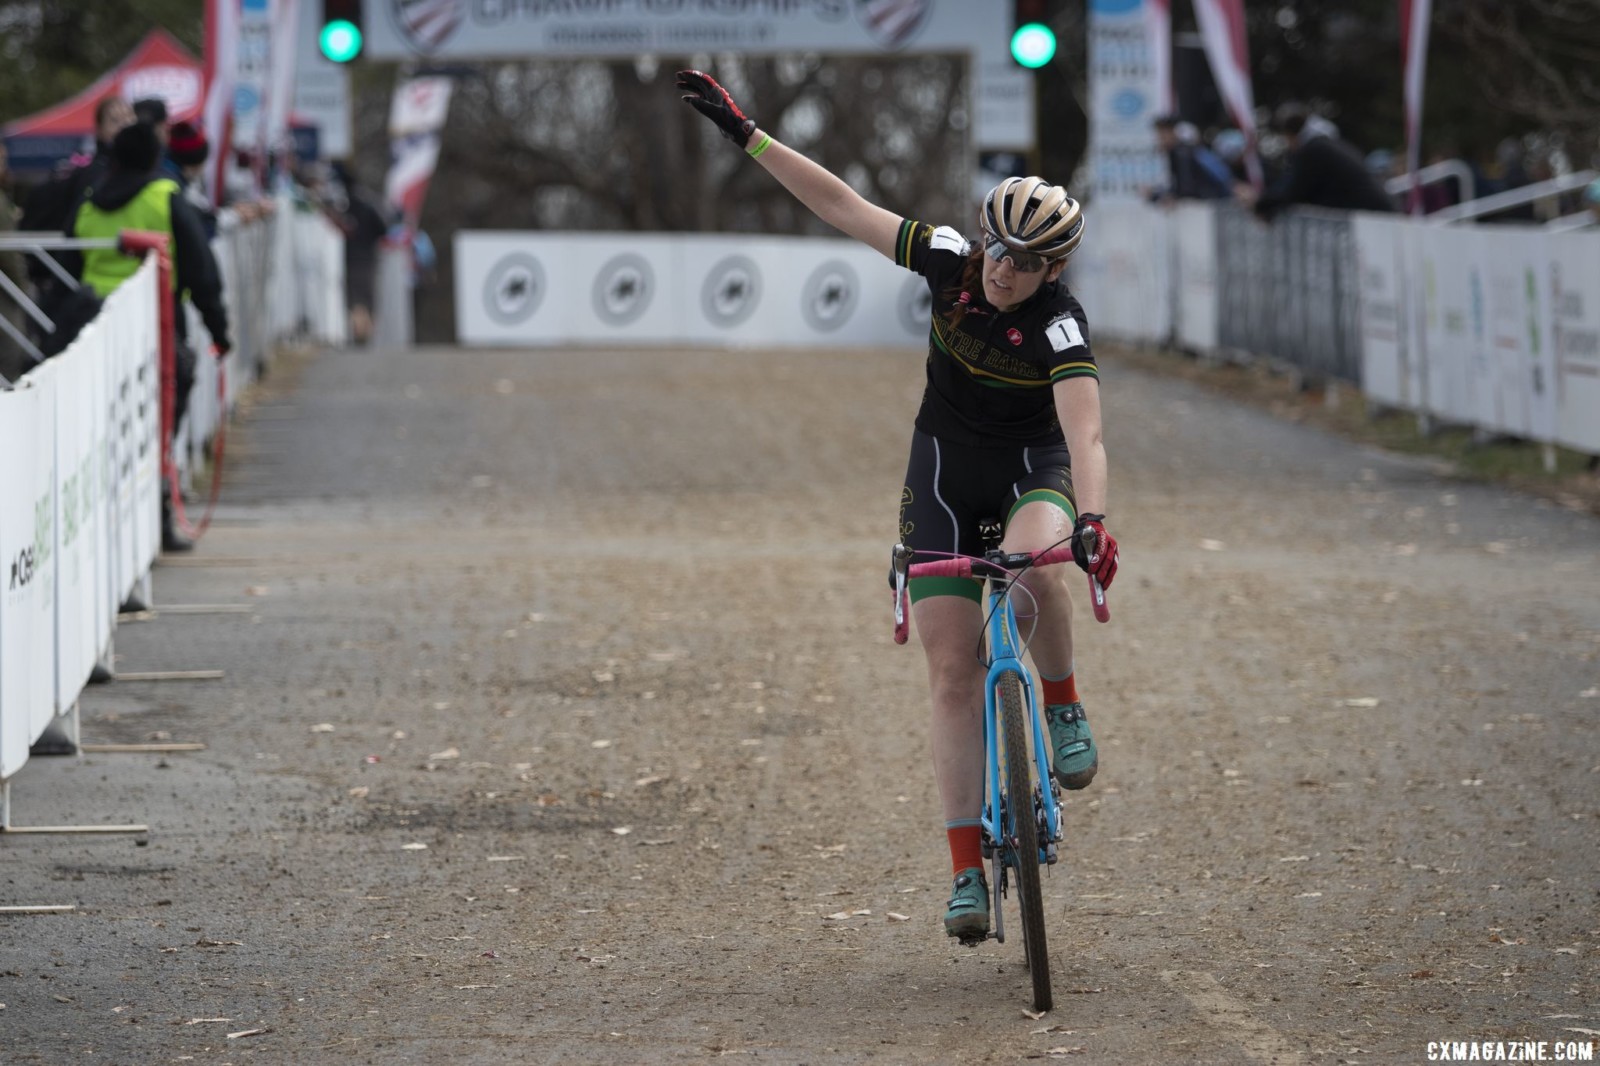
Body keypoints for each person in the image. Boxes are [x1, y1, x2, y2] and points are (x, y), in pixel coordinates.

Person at [675, 69, 1121, 942]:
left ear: (1054, 268)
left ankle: (1061, 701)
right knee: (952, 676)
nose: (1004, 270)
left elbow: (1087, 434)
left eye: (1027, 262)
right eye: (999, 248)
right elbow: (841, 204)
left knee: (1039, 571)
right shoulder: (950, 261)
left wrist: (1095, 521)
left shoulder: (1060, 326)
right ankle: (964, 874)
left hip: (1033, 467)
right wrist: (747, 133)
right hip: (943, 472)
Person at [66, 121, 231, 551]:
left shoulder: (87, 203)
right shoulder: (166, 198)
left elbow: (64, 262)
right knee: (155, 427)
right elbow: (201, 271)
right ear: (157, 158)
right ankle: (155, 519)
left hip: (89, 327)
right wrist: (219, 332)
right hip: (153, 330)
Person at [17, 95, 135, 326]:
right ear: (100, 131)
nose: (124, 126)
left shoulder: (119, 170)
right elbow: (75, 229)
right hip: (83, 286)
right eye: (115, 120)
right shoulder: (97, 174)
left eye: (129, 118)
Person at [1239, 103, 1394, 220]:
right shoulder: (1324, 145)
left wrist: (1259, 202)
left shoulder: (1315, 150)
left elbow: (1292, 191)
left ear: (1290, 135)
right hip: (1373, 215)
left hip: (1371, 218)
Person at [1149, 114, 1233, 201]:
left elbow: (1186, 189)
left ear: (1172, 132)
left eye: (1162, 135)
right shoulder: (1182, 151)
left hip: (1212, 202)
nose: (1159, 139)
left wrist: (1157, 195)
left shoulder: (1183, 153)